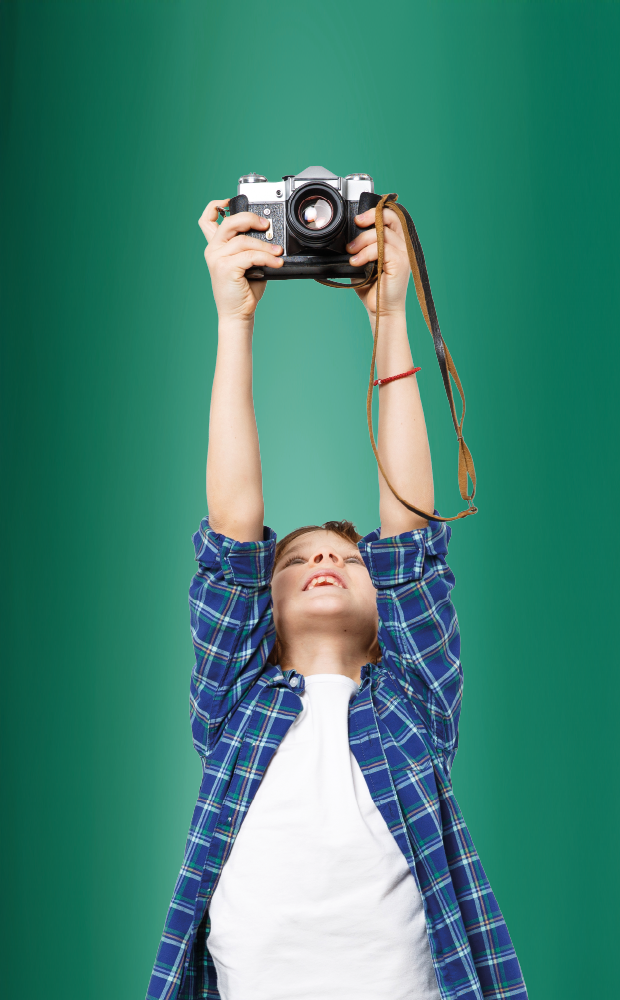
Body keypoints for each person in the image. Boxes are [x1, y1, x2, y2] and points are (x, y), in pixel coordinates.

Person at [146, 200, 528, 1000]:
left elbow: (411, 532)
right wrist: (233, 324)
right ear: (262, 613)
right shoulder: (234, 704)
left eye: (347, 556)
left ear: (384, 613)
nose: (324, 554)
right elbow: (231, 528)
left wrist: (390, 316)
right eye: (296, 560)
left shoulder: (414, 703)